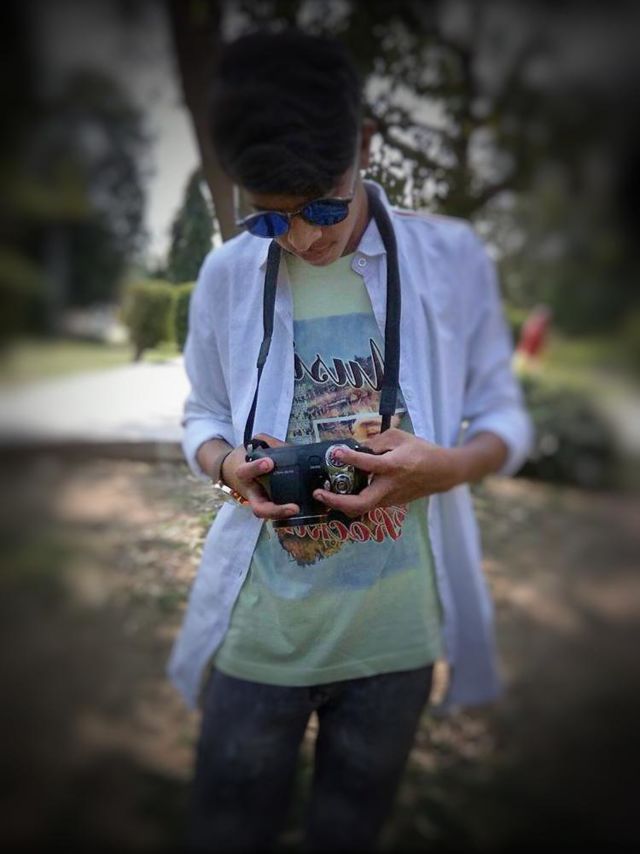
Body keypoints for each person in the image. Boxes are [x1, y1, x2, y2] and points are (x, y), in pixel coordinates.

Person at [168, 29, 533, 852]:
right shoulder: (226, 273)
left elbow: (505, 417)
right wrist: (226, 463)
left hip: (394, 646)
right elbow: (202, 414)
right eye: (272, 217)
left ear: (365, 147)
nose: (304, 238)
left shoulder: (450, 258)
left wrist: (447, 468)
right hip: (260, 637)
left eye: (325, 207)